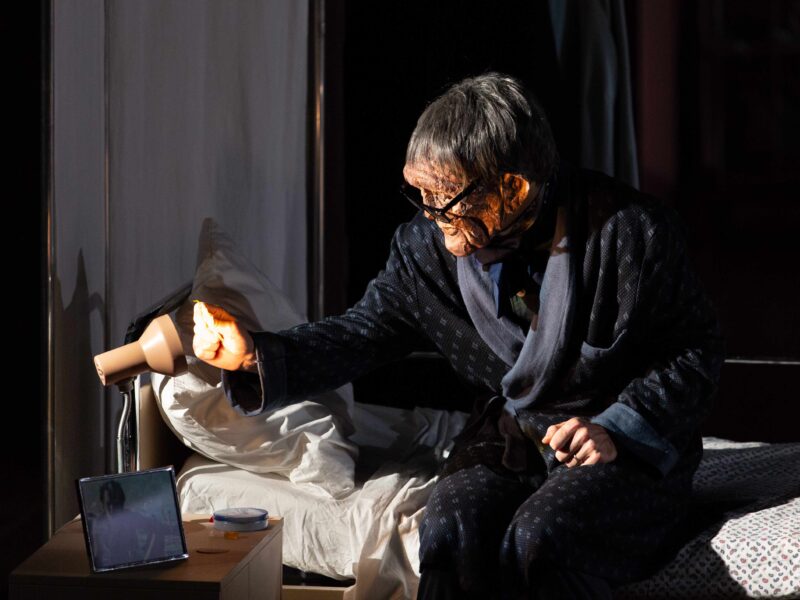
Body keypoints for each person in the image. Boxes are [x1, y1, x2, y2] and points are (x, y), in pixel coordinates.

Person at [192, 73, 723, 599]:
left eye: (443, 196)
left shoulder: (630, 232)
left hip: (615, 446)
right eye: (419, 194)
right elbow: (361, 333)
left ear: (512, 188)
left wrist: (617, 428)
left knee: (540, 536)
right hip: (516, 436)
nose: (429, 213)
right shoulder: (425, 251)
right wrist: (253, 356)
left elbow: (694, 352)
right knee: (451, 526)